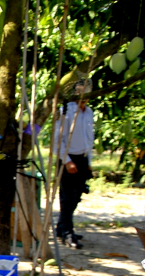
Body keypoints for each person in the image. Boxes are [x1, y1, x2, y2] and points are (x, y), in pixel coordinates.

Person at [54, 81, 93, 250]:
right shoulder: (66, 111)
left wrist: (89, 161)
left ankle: (62, 227)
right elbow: (57, 140)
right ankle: (67, 233)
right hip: (68, 158)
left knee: (77, 195)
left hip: (82, 158)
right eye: (80, 93)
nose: (83, 98)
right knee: (68, 197)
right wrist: (67, 160)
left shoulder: (89, 112)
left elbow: (89, 139)